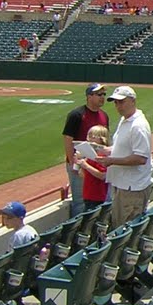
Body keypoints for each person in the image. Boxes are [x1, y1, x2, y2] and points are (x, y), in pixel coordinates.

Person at [96, 86, 153, 228]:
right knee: (118, 225)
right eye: (116, 103)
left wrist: (111, 160)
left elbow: (141, 158)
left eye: (121, 102)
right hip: (123, 185)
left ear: (133, 101)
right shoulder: (125, 120)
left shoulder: (138, 126)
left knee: (124, 229)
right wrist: (104, 150)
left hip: (132, 188)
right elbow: (121, 148)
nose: (118, 106)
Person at [62, 84, 109, 217]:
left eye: (103, 95)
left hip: (97, 165)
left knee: (97, 198)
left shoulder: (104, 116)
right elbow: (68, 139)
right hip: (80, 164)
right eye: (99, 95)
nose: (102, 98)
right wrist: (73, 163)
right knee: (80, 200)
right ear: (89, 96)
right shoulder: (76, 115)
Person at [74, 125, 110, 211]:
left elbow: (102, 176)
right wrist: (80, 162)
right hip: (88, 194)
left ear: (101, 139)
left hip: (98, 196)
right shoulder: (89, 154)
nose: (88, 139)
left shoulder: (102, 156)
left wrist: (86, 165)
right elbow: (82, 175)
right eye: (88, 136)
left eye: (92, 137)